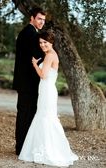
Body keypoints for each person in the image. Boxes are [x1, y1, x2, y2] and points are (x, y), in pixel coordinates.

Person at [18, 30, 78, 166]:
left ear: (51, 42)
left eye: (45, 42)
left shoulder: (50, 55)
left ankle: (48, 150)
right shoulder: (51, 54)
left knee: (46, 118)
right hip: (47, 91)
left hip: (47, 91)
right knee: (45, 117)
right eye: (40, 43)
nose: (42, 45)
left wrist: (34, 64)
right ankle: (45, 147)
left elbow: (43, 75)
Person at [12, 7, 46, 155]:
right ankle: (21, 147)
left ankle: (22, 146)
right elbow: (37, 56)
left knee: (26, 113)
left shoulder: (29, 32)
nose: (42, 22)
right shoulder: (30, 34)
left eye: (44, 20)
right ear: (31, 18)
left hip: (26, 82)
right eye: (39, 19)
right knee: (26, 114)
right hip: (28, 82)